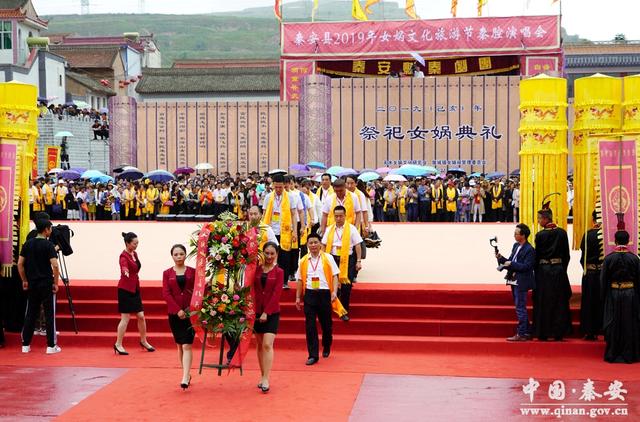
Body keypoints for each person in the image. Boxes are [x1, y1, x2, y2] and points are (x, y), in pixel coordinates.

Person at [17, 219, 61, 354]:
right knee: (49, 314)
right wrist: (55, 283)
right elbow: (55, 265)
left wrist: (24, 280)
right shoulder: (48, 245)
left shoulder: (27, 244)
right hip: (46, 283)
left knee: (31, 313)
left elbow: (20, 264)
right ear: (46, 229)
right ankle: (51, 346)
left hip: (32, 283)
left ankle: (25, 344)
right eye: (50, 228)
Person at [295, 233, 340, 366]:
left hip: (324, 293)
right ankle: (313, 355)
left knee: (326, 324)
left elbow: (335, 276)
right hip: (309, 294)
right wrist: (298, 296)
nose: (313, 245)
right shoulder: (303, 260)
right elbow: (300, 279)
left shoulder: (328, 258)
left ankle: (326, 344)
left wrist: (334, 292)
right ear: (307, 245)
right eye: (311, 243)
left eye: (315, 242)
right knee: (310, 325)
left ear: (320, 243)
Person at [601, 228, 640, 363]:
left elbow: (603, 281)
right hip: (630, 294)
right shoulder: (634, 259)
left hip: (613, 294)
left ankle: (613, 353)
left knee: (614, 322)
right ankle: (630, 354)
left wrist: (604, 298)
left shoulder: (608, 259)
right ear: (628, 241)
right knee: (629, 323)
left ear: (615, 241)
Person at [533, 206, 572, 341]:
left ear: (545, 219)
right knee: (559, 301)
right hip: (558, 270)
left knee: (544, 301)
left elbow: (537, 257)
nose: (538, 221)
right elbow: (566, 255)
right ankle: (558, 332)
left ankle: (543, 332)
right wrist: (561, 269)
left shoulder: (540, 235)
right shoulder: (562, 233)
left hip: (543, 271)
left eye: (539, 218)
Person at [114, 232, 155, 355]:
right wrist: (125, 271)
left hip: (135, 288)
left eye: (137, 243)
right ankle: (118, 344)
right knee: (125, 318)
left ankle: (143, 340)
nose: (136, 245)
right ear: (127, 243)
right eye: (134, 243)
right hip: (125, 290)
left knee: (141, 316)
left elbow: (136, 268)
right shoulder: (123, 256)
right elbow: (124, 266)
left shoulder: (134, 254)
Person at [162, 244, 195, 389]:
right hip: (174, 314)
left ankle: (185, 377)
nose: (179, 257)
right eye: (176, 254)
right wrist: (177, 310)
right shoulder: (167, 273)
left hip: (190, 313)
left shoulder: (193, 272)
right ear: (172, 256)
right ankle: (186, 373)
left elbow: (197, 290)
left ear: (185, 255)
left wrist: (189, 309)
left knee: (187, 345)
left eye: (181, 254)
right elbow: (166, 293)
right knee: (180, 346)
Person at [322, 206, 362, 322]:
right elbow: (324, 244)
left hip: (347, 259)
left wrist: (358, 261)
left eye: (341, 216)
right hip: (332, 258)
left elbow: (358, 245)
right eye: (336, 216)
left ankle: (344, 310)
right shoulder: (330, 229)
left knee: (346, 286)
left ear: (345, 216)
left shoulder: (352, 228)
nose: (338, 218)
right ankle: (334, 307)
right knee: (332, 284)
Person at [253, 242, 284, 393]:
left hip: (272, 312)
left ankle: (267, 377)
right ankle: (262, 375)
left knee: (267, 344)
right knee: (259, 345)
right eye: (267, 253)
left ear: (276, 254)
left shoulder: (279, 272)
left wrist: (266, 312)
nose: (269, 256)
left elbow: (276, 294)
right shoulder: (256, 270)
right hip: (256, 311)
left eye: (272, 253)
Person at [497, 224, 536, 341]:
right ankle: (527, 331)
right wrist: (501, 258)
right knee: (519, 306)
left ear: (523, 235)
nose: (514, 235)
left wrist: (511, 264)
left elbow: (527, 266)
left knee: (520, 307)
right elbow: (511, 260)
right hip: (514, 279)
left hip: (522, 281)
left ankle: (522, 333)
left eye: (516, 233)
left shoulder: (530, 249)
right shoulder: (516, 246)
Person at [261, 174, 298, 288]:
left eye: (280, 187)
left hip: (285, 232)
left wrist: (295, 231)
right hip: (271, 231)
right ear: (273, 185)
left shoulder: (290, 197)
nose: (278, 190)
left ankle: (284, 281)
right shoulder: (268, 197)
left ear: (284, 185)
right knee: (268, 256)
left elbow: (293, 214)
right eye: (276, 187)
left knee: (285, 257)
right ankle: (268, 280)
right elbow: (264, 215)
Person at [579, 211, 603, 340]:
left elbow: (583, 256)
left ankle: (589, 331)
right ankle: (604, 329)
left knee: (588, 302)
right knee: (603, 302)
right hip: (603, 274)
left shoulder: (588, 234)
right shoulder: (608, 235)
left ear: (593, 219)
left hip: (589, 272)